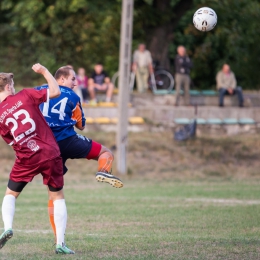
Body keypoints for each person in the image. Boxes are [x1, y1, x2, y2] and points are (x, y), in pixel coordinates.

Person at [36, 66, 123, 241]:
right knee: (106, 152)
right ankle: (103, 171)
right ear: (61, 80)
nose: (76, 83)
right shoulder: (73, 96)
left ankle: (57, 237)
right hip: (68, 140)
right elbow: (81, 125)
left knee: (53, 194)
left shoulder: (38, 90)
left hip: (46, 146)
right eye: (73, 79)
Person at [0, 64, 74, 254]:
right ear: (8, 87)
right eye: (13, 84)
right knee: (57, 196)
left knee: (10, 194)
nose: (14, 87)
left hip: (26, 156)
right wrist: (44, 72)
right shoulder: (25, 95)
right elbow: (56, 91)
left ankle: (7, 227)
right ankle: (60, 243)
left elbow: (11, 141)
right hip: (49, 151)